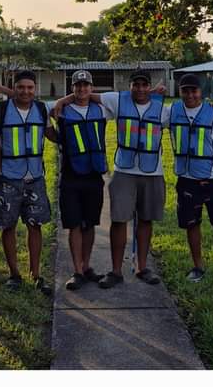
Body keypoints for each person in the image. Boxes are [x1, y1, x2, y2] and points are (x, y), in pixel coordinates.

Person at [53, 69, 169, 288]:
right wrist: (63, 99)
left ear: (149, 87)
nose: (141, 89)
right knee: (118, 220)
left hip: (153, 171)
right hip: (124, 170)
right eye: (136, 84)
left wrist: (154, 93)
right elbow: (85, 96)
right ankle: (115, 271)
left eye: (145, 85)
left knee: (145, 220)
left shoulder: (163, 109)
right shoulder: (117, 101)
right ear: (130, 86)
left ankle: (141, 267)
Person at [0, 71, 59, 291]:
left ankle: (36, 274)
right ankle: (14, 274)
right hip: (8, 176)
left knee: (34, 225)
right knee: (8, 226)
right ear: (14, 88)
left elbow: (52, 135)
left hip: (35, 177)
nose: (25, 91)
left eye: (30, 88)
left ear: (35, 89)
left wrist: (71, 132)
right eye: (21, 87)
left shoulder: (41, 109)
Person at [170, 73, 213, 287]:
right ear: (179, 92)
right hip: (187, 179)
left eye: (194, 90)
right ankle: (197, 266)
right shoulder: (172, 111)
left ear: (201, 91)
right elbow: (145, 108)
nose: (190, 95)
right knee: (192, 225)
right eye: (185, 90)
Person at [52, 70, 108, 290]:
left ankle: (86, 266)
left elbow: (129, 99)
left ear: (91, 88)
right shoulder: (62, 110)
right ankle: (76, 270)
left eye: (85, 85)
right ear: (72, 88)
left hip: (94, 174)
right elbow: (29, 102)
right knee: (74, 224)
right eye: (77, 86)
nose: (82, 89)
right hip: (71, 175)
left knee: (90, 223)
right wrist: (62, 100)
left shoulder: (101, 109)